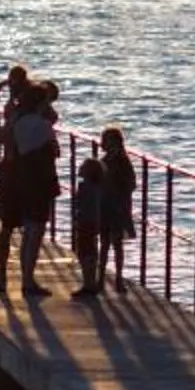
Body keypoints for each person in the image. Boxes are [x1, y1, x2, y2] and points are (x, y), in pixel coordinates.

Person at [0, 75, 60, 295]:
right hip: (33, 180)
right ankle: (26, 280)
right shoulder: (39, 123)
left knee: (9, 227)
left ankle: (4, 276)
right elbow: (55, 150)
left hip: (13, 175)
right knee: (32, 229)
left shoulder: (16, 117)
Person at [85, 125, 137, 298]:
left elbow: (131, 184)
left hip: (118, 205)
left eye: (106, 141)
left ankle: (118, 278)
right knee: (105, 242)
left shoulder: (122, 161)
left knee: (116, 242)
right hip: (107, 204)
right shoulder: (105, 160)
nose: (103, 144)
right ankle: (102, 278)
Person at [69, 147, 108, 298]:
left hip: (85, 222)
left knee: (84, 252)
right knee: (91, 251)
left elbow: (80, 205)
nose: (80, 169)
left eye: (83, 167)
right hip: (94, 222)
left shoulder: (84, 187)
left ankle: (88, 283)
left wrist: (76, 219)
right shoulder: (98, 188)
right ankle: (91, 282)